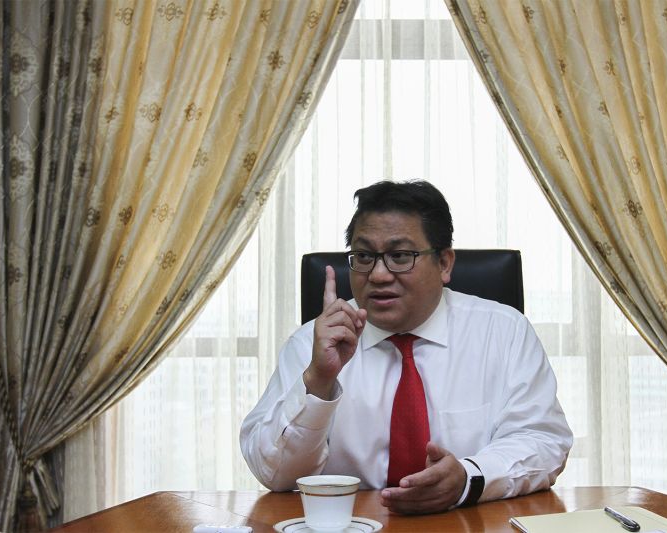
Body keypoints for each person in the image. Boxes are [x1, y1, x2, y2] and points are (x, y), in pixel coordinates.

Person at [240, 180, 572, 514]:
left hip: (468, 521)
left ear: (444, 263)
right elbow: (275, 474)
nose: (378, 275)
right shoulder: (312, 344)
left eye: (399, 256)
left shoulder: (503, 332)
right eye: (365, 256)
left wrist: (469, 477)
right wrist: (318, 382)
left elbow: (543, 441)